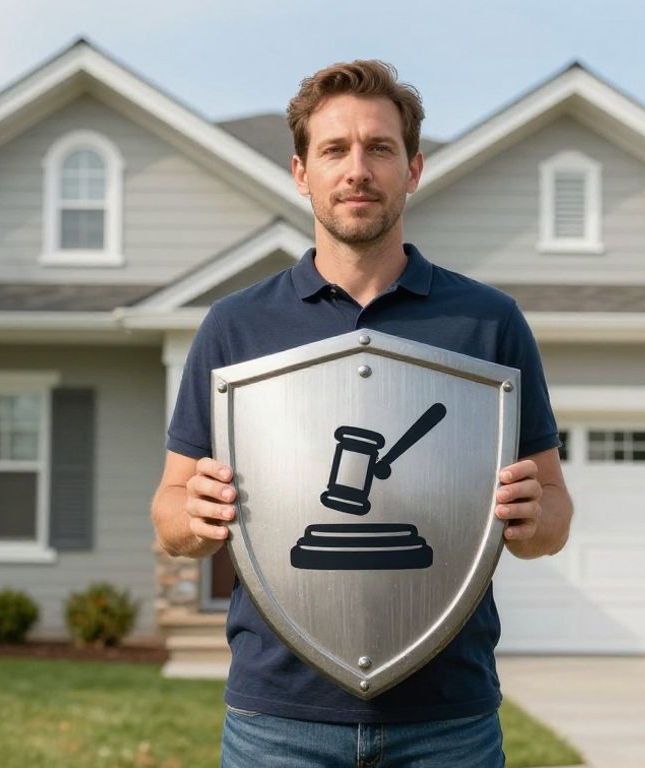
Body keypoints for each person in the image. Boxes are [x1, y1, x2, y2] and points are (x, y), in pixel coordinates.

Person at [151, 59, 573, 767]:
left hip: (448, 721)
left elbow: (553, 516)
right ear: (300, 171)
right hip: (276, 720)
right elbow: (168, 515)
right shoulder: (235, 328)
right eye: (335, 149)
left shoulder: (487, 323)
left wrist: (537, 519)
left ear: (413, 170)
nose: (357, 169)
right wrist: (190, 516)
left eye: (379, 148)